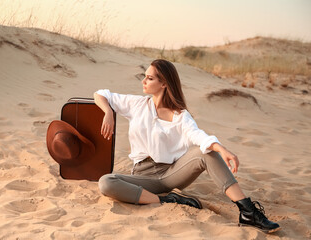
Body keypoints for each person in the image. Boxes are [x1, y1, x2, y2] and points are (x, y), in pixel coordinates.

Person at [93, 59, 280, 233]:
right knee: (107, 182)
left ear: (164, 83)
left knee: (205, 152)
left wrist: (222, 149)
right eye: (145, 76)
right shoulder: (137, 104)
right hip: (143, 176)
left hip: (172, 174)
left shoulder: (181, 116)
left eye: (149, 78)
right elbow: (100, 94)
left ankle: (248, 211)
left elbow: (198, 136)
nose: (144, 81)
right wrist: (108, 112)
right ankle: (168, 199)